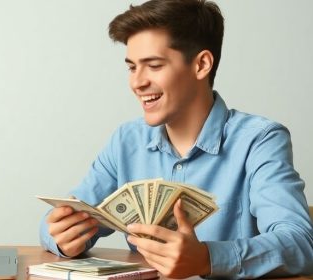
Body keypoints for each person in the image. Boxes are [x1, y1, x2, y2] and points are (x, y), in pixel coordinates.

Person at [39, 0, 313, 278]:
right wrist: (60, 237)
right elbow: (68, 218)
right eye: (132, 67)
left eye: (154, 65)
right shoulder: (126, 141)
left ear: (201, 65)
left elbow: (301, 243)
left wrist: (208, 258)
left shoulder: (260, 140)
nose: (137, 82)